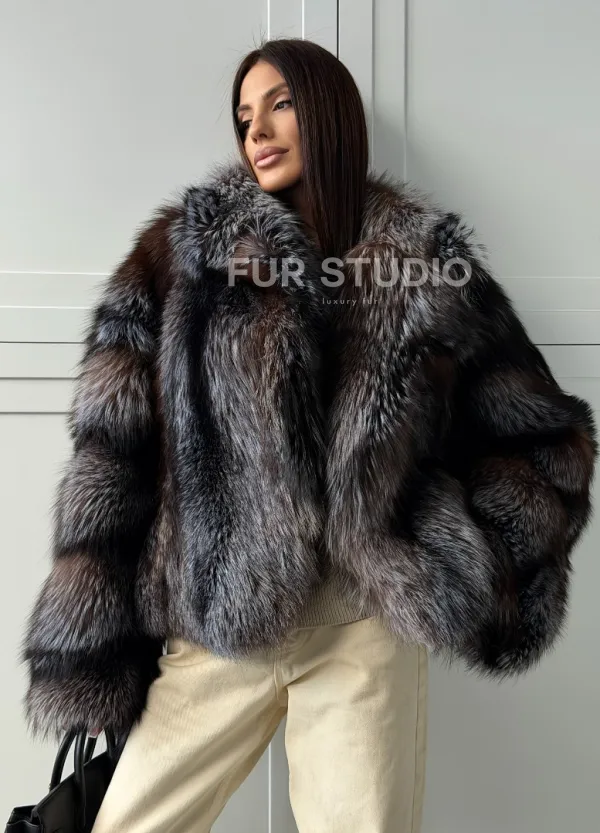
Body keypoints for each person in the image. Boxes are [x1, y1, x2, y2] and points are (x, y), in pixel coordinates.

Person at [19, 37, 597, 833]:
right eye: (243, 116)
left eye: (280, 104)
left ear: (328, 113)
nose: (256, 130)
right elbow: (110, 455)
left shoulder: (425, 266)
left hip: (362, 631)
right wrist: (95, 646)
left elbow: (545, 440)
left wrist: (449, 559)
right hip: (219, 622)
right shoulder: (181, 258)